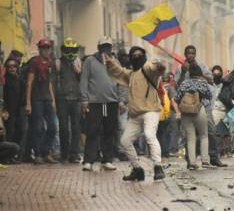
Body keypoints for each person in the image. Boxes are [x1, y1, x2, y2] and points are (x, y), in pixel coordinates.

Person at [104, 46, 166, 181]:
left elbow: (156, 68)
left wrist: (159, 65)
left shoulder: (148, 69)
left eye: (139, 55)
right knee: (125, 141)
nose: (136, 57)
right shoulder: (131, 75)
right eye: (134, 55)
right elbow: (119, 72)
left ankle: (158, 167)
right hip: (135, 114)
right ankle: (137, 169)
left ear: (144, 56)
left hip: (151, 110)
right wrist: (110, 62)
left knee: (150, 135)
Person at [175, 45, 227, 167]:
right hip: (189, 108)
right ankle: (191, 161)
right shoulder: (180, 68)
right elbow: (178, 84)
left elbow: (211, 80)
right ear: (185, 54)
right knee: (189, 135)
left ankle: (213, 157)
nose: (191, 55)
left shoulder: (202, 65)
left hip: (202, 107)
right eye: (188, 53)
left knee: (210, 131)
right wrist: (183, 71)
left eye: (193, 53)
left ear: (195, 54)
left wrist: (199, 74)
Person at [80, 40, 119, 171]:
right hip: (94, 102)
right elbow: (84, 80)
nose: (106, 50)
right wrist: (84, 100)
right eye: (103, 47)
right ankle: (88, 160)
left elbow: (122, 80)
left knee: (109, 131)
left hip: (112, 102)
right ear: (98, 48)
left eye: (108, 47)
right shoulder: (90, 61)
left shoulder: (115, 61)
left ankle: (107, 160)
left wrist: (123, 100)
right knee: (92, 131)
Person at [25, 39, 58, 164]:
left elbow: (49, 82)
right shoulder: (34, 62)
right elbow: (29, 82)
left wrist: (53, 99)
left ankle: (47, 152)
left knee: (53, 127)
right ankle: (38, 154)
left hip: (47, 99)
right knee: (38, 127)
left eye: (47, 48)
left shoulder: (50, 62)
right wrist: (28, 102)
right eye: (43, 48)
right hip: (36, 99)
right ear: (39, 49)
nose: (46, 50)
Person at [174, 64, 213, 170]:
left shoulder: (184, 83)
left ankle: (192, 163)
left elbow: (176, 98)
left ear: (189, 73)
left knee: (190, 138)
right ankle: (205, 161)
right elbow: (209, 97)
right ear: (200, 73)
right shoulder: (203, 83)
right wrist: (202, 104)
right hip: (199, 111)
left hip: (186, 112)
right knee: (204, 135)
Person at [55, 38, 82, 163]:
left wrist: (78, 71)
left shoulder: (79, 62)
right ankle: (64, 154)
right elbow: (52, 82)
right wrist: (53, 100)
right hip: (62, 100)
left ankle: (74, 154)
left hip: (76, 99)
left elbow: (84, 80)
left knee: (76, 127)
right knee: (64, 128)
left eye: (72, 50)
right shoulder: (58, 63)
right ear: (63, 50)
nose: (70, 52)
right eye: (68, 50)